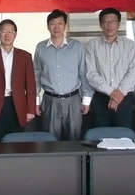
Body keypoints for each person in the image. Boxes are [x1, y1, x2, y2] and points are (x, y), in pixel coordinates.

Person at [33, 9, 93, 140]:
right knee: (50, 141)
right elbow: (36, 75)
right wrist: (35, 101)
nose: (56, 27)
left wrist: (86, 101)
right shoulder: (41, 47)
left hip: (73, 100)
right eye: (53, 23)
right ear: (48, 26)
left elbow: (83, 73)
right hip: (50, 101)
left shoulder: (76, 46)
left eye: (60, 23)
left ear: (65, 26)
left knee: (73, 139)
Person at [0, 19, 36, 142]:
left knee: (16, 141)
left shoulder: (25, 56)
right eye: (4, 31)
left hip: (17, 105)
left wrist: (31, 110)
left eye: (11, 32)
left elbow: (31, 86)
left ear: (15, 35)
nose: (7, 35)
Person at [86, 7, 135, 129]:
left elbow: (133, 72)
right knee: (100, 135)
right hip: (100, 99)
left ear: (119, 24)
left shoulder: (129, 45)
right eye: (106, 21)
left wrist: (118, 94)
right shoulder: (92, 45)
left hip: (124, 99)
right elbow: (91, 74)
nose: (109, 25)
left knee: (124, 135)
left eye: (113, 21)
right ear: (101, 25)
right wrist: (111, 92)